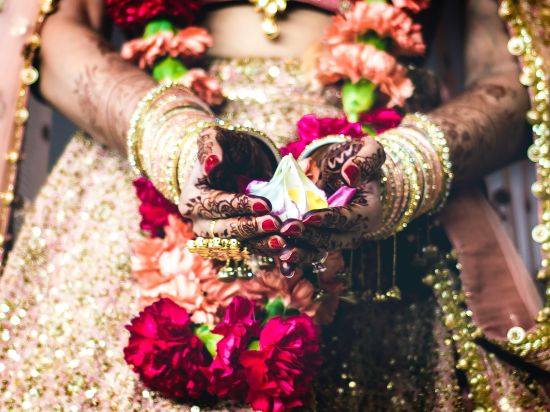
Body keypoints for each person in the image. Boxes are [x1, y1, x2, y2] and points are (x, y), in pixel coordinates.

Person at [0, 0, 548, 410]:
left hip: (386, 212)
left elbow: (518, 73)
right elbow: (50, 35)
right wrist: (173, 142)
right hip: (134, 174)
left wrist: (404, 168)